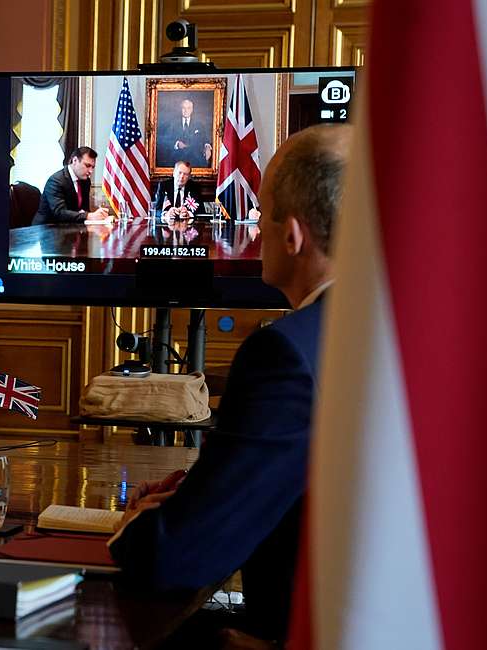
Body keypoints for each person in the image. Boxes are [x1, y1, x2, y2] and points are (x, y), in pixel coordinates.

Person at [108, 124, 353, 645]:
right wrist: (200, 493)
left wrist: (135, 522)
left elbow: (176, 556)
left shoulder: (287, 353)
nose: (257, 231)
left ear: (293, 235)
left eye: (262, 215)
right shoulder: (398, 329)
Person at [32, 146, 111, 225]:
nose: (90, 171)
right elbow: (60, 213)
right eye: (87, 165)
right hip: (46, 229)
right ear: (75, 160)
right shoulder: (56, 181)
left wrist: (97, 217)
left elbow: (84, 209)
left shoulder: (86, 181)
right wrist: (88, 216)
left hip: (70, 227)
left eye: (92, 167)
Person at [157, 98, 212, 167]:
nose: (186, 111)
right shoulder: (172, 123)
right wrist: (176, 144)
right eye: (183, 108)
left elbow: (205, 139)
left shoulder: (199, 124)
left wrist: (207, 147)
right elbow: (163, 140)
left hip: (194, 160)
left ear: (192, 110)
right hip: (176, 160)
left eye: (188, 108)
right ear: (180, 109)